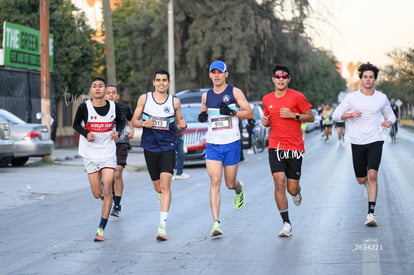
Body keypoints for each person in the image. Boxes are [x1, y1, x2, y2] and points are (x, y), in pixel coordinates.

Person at [332, 62, 396, 227]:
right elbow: (336, 115)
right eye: (365, 77)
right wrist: (350, 114)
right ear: (361, 79)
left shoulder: (381, 98)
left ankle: (371, 213)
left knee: (373, 174)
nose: (368, 80)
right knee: (361, 179)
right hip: (357, 141)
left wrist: (389, 122)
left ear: (375, 80)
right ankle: (365, 182)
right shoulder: (352, 98)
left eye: (371, 77)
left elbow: (391, 114)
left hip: (376, 139)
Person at [198, 60, 253, 236]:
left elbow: (249, 112)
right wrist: (202, 115)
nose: (216, 75)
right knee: (215, 181)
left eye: (220, 72)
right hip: (213, 144)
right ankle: (216, 223)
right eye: (213, 72)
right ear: (209, 75)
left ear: (226, 74)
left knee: (229, 184)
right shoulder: (206, 95)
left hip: (231, 143)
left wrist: (232, 112)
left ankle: (239, 189)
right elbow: (204, 111)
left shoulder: (234, 92)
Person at [131, 69, 187, 241]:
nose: (161, 83)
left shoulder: (174, 101)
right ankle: (160, 194)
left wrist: (182, 124)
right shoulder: (144, 99)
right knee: (158, 187)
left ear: (168, 83)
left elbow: (179, 122)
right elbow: (133, 121)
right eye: (158, 80)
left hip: (168, 146)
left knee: (165, 184)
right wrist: (143, 123)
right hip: (150, 146)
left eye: (164, 80)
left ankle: (162, 226)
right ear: (154, 82)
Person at [261, 64, 314, 237]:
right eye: (278, 77)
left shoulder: (297, 97)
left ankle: (297, 192)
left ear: (288, 79)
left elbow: (311, 116)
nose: (281, 79)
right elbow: (269, 119)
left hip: (294, 147)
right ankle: (286, 223)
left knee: (291, 188)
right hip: (275, 146)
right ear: (273, 79)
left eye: (284, 77)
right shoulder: (267, 99)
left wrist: (294, 115)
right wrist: (266, 122)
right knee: (279, 181)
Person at [73, 77, 125, 241]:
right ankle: (103, 195)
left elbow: (121, 122)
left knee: (108, 187)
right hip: (89, 154)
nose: (97, 89)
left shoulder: (113, 107)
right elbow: (76, 125)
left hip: (108, 153)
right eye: (94, 86)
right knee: (97, 194)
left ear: (104, 90)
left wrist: (117, 132)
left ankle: (101, 228)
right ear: (91, 90)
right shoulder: (84, 107)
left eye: (100, 86)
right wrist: (86, 133)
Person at [105, 85, 134, 217]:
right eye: (108, 93)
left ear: (117, 96)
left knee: (117, 173)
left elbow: (131, 119)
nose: (111, 95)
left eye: (113, 93)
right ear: (104, 95)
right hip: (104, 145)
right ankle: (110, 195)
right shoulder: (97, 109)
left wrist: (132, 130)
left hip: (121, 143)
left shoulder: (124, 108)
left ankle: (117, 205)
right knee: (108, 176)